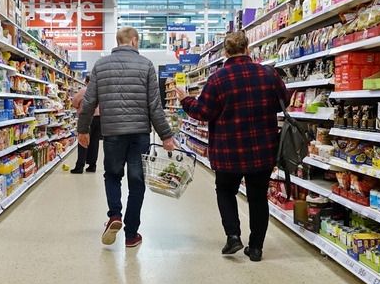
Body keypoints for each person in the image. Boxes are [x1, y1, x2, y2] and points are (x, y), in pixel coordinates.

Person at [176, 31, 288, 262]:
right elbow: (284, 101)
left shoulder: (217, 78)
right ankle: (256, 248)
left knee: (225, 191)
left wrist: (185, 100)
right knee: (258, 197)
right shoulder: (268, 73)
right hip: (262, 149)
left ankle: (233, 236)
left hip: (229, 150)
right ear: (248, 48)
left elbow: (203, 113)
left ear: (225, 52)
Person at [78, 26, 177, 248]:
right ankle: (131, 234)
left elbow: (88, 102)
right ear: (134, 41)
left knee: (112, 176)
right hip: (139, 134)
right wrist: (166, 135)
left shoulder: (100, 65)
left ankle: (114, 216)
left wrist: (82, 129)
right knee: (136, 182)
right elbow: (155, 106)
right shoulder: (146, 65)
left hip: (112, 132)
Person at [70, 74, 101, 174]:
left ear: (86, 82)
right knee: (94, 142)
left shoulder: (84, 90)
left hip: (86, 118)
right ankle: (92, 165)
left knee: (83, 140)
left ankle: (79, 166)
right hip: (99, 118)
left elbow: (74, 102)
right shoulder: (99, 90)